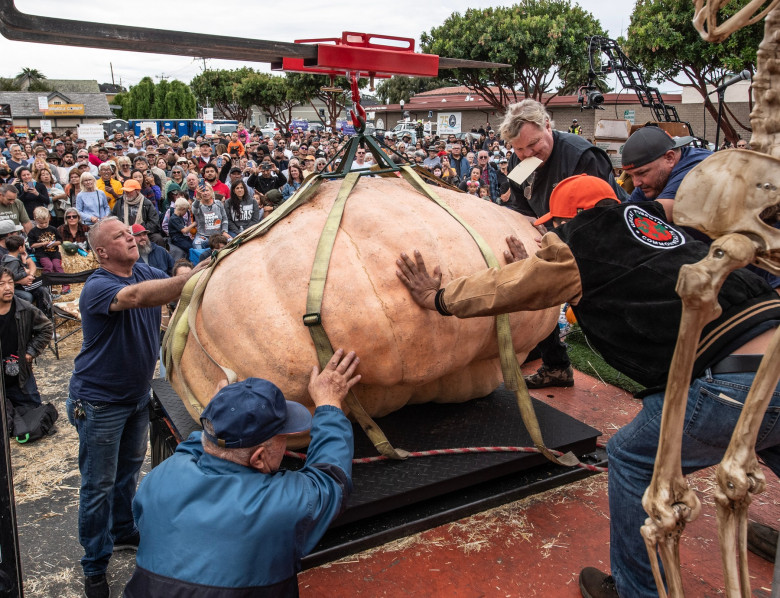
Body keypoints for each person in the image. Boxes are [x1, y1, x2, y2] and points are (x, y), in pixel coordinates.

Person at [395, 174, 780, 598]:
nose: (550, 233)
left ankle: (638, 592)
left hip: (729, 382)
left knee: (632, 460)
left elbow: (499, 289)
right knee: (773, 438)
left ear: (574, 217)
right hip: (771, 349)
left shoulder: (581, 241)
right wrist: (540, 267)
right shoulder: (646, 220)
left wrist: (437, 297)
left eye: (555, 224)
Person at [124, 349, 361, 597]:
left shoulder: (159, 478)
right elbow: (331, 480)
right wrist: (329, 404)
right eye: (284, 436)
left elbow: (199, 447)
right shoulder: (278, 505)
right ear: (259, 458)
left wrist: (221, 414)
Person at [66, 216, 204, 598]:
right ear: (101, 252)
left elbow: (163, 280)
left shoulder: (140, 268)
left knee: (127, 472)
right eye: (119, 236)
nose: (130, 236)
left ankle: (124, 529)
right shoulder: (98, 285)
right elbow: (140, 297)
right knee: (97, 486)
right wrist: (193, 277)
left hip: (135, 396)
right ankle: (94, 564)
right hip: (98, 403)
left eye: (129, 232)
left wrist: (191, 267)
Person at [500, 99, 628, 388]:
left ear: (548, 125)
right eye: (518, 149)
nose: (526, 154)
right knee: (537, 289)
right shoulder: (518, 161)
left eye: (532, 145)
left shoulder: (582, 156)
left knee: (598, 309)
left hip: (601, 238)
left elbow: (601, 216)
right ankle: (556, 366)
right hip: (552, 233)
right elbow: (520, 208)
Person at [621, 125, 713, 221]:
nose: (636, 183)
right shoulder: (651, 181)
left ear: (669, 158)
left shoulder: (698, 168)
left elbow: (655, 218)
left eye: (642, 173)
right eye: (631, 175)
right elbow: (626, 214)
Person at [0, 267, 52, 410]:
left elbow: (46, 328)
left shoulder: (24, 308)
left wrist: (30, 352)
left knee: (35, 412)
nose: (7, 288)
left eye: (10, 283)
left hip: (20, 373)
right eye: (1, 284)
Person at [27, 207, 69, 294]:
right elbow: (32, 245)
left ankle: (65, 284)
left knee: (57, 266)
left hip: (54, 252)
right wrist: (42, 244)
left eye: (46, 222)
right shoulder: (33, 231)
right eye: (41, 223)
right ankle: (46, 284)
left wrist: (53, 243)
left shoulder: (53, 229)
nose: (44, 225)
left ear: (49, 218)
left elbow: (60, 241)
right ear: (35, 220)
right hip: (42, 253)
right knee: (48, 266)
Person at [111, 179, 164, 247]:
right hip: (124, 232)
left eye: (129, 191)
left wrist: (137, 229)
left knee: (158, 238)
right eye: (125, 191)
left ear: (137, 191)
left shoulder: (147, 203)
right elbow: (112, 217)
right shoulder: (120, 202)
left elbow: (154, 223)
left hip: (143, 232)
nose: (127, 193)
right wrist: (123, 228)